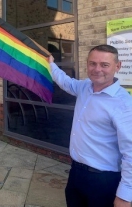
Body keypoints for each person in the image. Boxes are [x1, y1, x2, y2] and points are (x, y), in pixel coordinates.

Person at [49, 44, 132, 207]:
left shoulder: (124, 105)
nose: (97, 69)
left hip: (104, 181)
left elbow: (131, 152)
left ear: (118, 66)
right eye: (92, 63)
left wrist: (125, 195)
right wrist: (50, 64)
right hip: (76, 174)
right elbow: (66, 82)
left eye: (104, 65)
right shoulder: (85, 87)